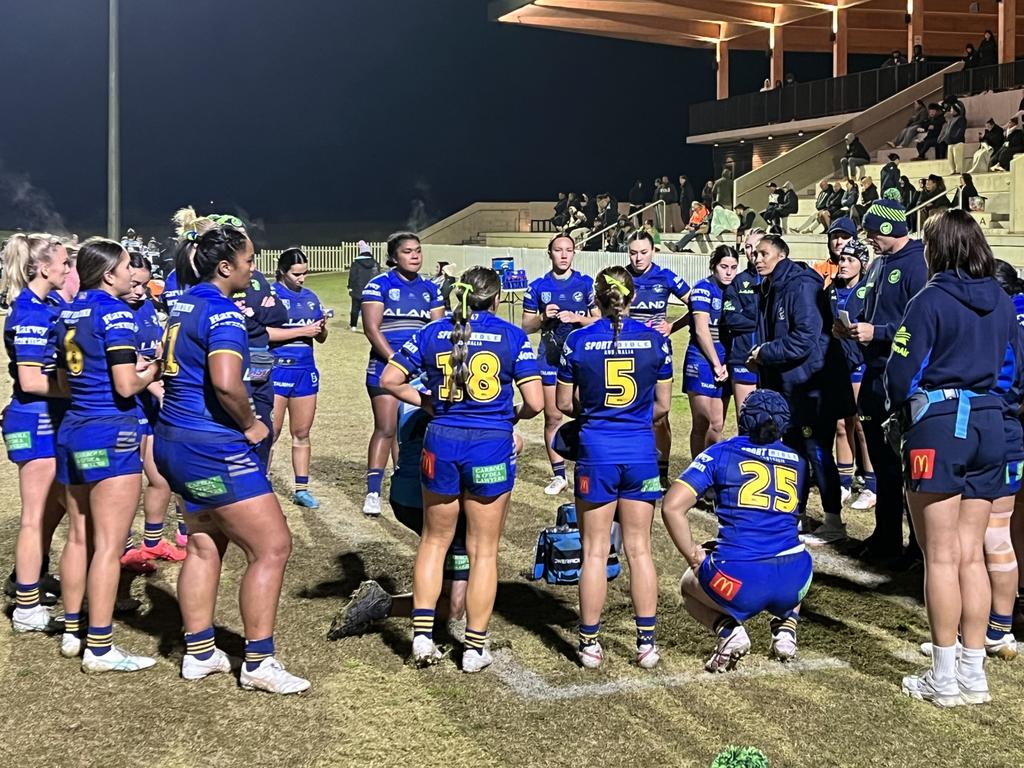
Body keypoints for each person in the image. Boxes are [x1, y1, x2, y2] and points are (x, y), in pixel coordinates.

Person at [155, 225, 309, 693]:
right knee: (272, 546)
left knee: (204, 543)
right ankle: (259, 662)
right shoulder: (223, 313)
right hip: (212, 444)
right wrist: (250, 424)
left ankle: (200, 652)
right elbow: (226, 381)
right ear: (226, 267)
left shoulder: (183, 301)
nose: (253, 267)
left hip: (174, 440)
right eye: (249, 260)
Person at [885, 210, 1024, 707]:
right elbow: (1015, 371)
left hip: (943, 428)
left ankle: (943, 676)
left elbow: (900, 375)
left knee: (941, 556)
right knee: (971, 555)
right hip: (992, 429)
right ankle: (972, 669)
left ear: (937, 249)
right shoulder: (1005, 303)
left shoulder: (931, 300)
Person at [381, 267, 543, 672]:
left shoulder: (433, 332)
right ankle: (473, 647)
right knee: (483, 550)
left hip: (442, 443)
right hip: (488, 446)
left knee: (434, 543)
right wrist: (510, 416)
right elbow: (537, 403)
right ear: (496, 296)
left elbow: (389, 379)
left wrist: (427, 401)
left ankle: (421, 637)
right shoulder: (511, 335)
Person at [555, 266, 672, 669]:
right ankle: (646, 644)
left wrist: (596, 412)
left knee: (594, 551)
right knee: (640, 550)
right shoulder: (657, 342)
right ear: (633, 297)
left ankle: (589, 643)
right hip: (641, 451)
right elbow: (663, 407)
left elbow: (564, 405)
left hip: (597, 451)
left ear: (596, 299)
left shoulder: (578, 341)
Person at [55, 238, 162, 671]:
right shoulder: (115, 313)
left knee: (79, 537)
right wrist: (153, 368)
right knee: (108, 545)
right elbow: (124, 385)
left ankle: (70, 630)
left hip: (74, 430)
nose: (131, 273)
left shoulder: (65, 313)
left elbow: (63, 382)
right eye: (125, 267)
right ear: (108, 274)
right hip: (111, 433)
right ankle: (99, 647)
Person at [662, 390, 813, 671]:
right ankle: (786, 630)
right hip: (796, 579)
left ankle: (728, 630)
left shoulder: (721, 452)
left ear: (743, 421)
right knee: (789, 553)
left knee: (687, 584)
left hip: (739, 579)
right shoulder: (799, 460)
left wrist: (694, 556)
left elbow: (672, 506)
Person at [834, 200, 927, 565]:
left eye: (872, 231)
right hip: (875, 374)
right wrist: (850, 327)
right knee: (883, 463)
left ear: (888, 229)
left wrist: (880, 332)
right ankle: (885, 536)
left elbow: (921, 325)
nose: (868, 238)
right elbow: (870, 310)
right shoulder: (880, 263)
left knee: (905, 465)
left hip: (900, 377)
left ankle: (917, 546)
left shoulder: (918, 266)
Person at [748, 235, 854, 546]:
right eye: (755, 254)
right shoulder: (771, 286)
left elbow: (805, 338)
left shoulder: (800, 286)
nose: (758, 259)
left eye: (764, 253)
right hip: (790, 386)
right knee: (794, 451)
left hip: (811, 387)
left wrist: (765, 353)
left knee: (816, 450)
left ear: (781, 255)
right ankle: (796, 513)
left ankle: (833, 520)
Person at [2, 234, 70, 632]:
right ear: (44, 268)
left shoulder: (53, 304)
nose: (67, 269)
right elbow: (29, 380)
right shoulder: (28, 312)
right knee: (33, 515)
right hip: (35, 421)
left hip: (51, 418)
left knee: (56, 504)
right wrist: (76, 388)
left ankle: (29, 576)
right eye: (63, 263)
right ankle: (27, 607)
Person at [360, 232, 444, 517]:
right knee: (386, 428)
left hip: (420, 372)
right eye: (407, 252)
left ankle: (403, 482)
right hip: (386, 367)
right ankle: (373, 491)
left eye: (418, 251)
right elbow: (372, 329)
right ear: (394, 257)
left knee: (410, 431)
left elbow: (438, 332)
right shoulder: (378, 285)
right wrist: (396, 360)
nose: (415, 256)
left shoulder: (432, 288)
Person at [119, 251, 184, 566]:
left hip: (149, 400)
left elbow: (154, 350)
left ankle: (153, 542)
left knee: (160, 477)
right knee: (126, 482)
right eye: (134, 284)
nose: (140, 292)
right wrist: (159, 389)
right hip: (125, 405)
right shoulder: (111, 311)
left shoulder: (145, 306)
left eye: (144, 286)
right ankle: (123, 547)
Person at [521, 235, 599, 496]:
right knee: (553, 416)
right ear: (550, 253)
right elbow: (526, 326)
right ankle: (558, 476)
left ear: (574, 253)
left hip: (580, 361)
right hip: (550, 360)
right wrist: (543, 317)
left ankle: (588, 466)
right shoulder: (538, 286)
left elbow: (598, 321)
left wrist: (578, 318)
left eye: (568, 250)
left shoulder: (586, 284)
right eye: (558, 250)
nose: (564, 255)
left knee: (584, 413)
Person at [625, 231, 691, 488]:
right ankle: (633, 465)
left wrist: (673, 326)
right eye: (633, 252)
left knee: (660, 415)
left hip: (657, 355)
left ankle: (661, 473)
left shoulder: (665, 277)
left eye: (643, 252)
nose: (638, 258)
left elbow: (695, 303)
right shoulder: (622, 277)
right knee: (629, 409)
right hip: (628, 355)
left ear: (653, 252)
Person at [270, 248, 329, 509]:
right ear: (283, 271)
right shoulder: (270, 296)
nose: (302, 278)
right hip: (277, 370)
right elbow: (263, 333)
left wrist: (320, 329)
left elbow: (320, 337)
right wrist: (302, 330)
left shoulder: (311, 297)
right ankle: (261, 482)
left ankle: (301, 489)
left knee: (302, 432)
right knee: (270, 432)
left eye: (305, 273)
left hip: (305, 371)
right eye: (296, 274)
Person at [826, 240, 877, 515]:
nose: (843, 264)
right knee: (841, 425)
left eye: (850, 259)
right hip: (837, 365)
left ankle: (871, 484)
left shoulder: (868, 291)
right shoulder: (832, 290)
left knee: (860, 425)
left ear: (862, 263)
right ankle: (843, 481)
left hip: (860, 365)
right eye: (842, 259)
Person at [685, 246, 738, 461]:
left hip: (726, 360)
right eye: (724, 267)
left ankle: (711, 469)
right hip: (702, 360)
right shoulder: (703, 289)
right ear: (713, 266)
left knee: (717, 424)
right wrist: (716, 363)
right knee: (702, 421)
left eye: (733, 268)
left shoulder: (735, 290)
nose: (729, 272)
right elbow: (701, 330)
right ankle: (696, 474)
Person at [720, 229, 765, 419]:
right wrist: (762, 322)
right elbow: (731, 318)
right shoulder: (738, 281)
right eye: (747, 246)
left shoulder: (779, 280)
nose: (752, 251)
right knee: (746, 421)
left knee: (774, 422)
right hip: (742, 358)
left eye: (757, 246)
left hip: (773, 359)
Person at [812, 216, 855, 290]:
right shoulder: (818, 269)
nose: (839, 242)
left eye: (845, 237)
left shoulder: (865, 270)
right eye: (835, 237)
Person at [348, 241, 380, 331]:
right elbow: (378, 276)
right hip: (371, 289)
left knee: (355, 307)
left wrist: (350, 287)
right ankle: (371, 326)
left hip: (357, 289)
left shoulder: (356, 263)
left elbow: (353, 276)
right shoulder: (375, 263)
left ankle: (353, 326)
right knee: (370, 309)